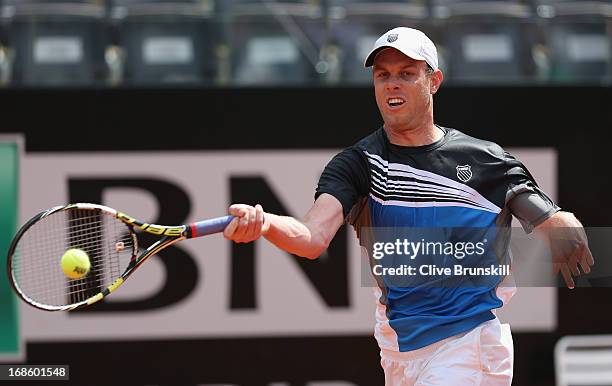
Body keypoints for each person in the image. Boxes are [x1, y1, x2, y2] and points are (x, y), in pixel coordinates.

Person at [223, 27, 594, 385]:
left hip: (468, 344)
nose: (392, 84)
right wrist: (266, 223)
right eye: (383, 75)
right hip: (397, 350)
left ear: (433, 81)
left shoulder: (484, 160)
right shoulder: (357, 164)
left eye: (406, 73)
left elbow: (546, 214)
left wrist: (562, 224)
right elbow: (312, 237)